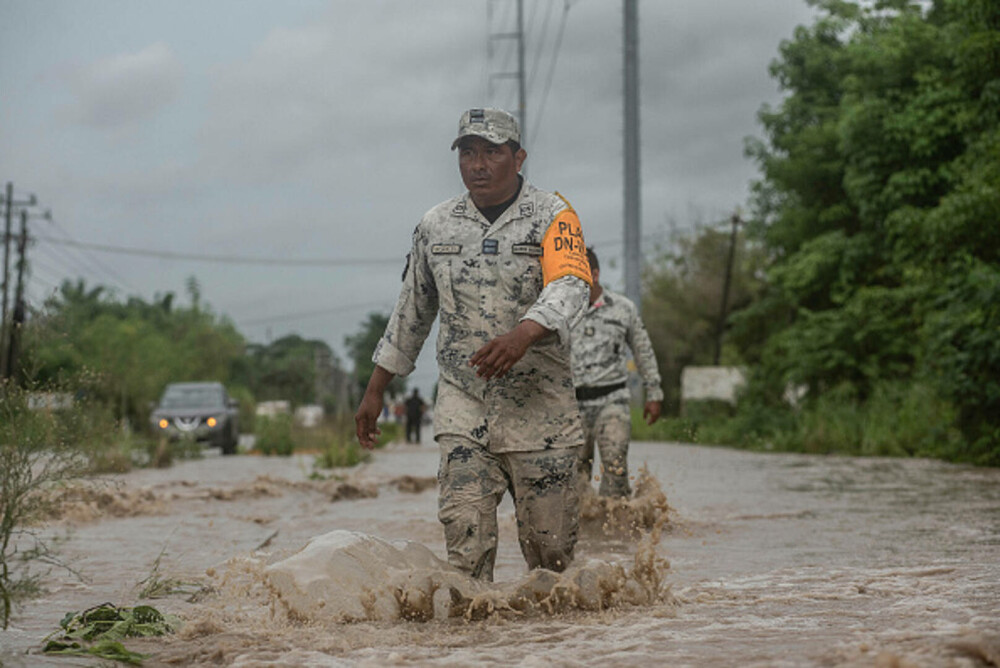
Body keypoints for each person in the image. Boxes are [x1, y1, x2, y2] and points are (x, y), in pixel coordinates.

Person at [355, 108, 592, 581]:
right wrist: (376, 387)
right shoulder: (436, 225)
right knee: (465, 558)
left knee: (552, 568)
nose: (477, 164)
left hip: (540, 411)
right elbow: (412, 310)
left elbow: (571, 284)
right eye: (467, 153)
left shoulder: (553, 216)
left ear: (518, 157)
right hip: (465, 408)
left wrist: (525, 333)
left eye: (491, 152)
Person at [571, 247, 663, 498]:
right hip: (570, 405)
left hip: (612, 400)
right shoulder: (560, 311)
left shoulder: (623, 308)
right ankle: (583, 530)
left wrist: (654, 393)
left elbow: (642, 351)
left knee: (614, 463)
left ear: (595, 274)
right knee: (572, 477)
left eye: (580, 273)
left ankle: (617, 530)